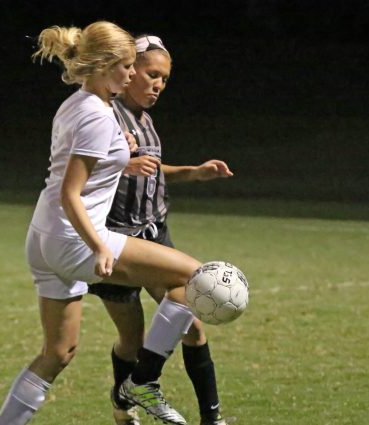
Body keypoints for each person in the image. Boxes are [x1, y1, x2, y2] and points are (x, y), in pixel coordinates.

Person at [0, 22, 215, 425]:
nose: (132, 74)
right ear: (105, 65)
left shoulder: (77, 104)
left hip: (42, 238)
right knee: (196, 280)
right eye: (127, 66)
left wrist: (119, 153)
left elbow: (83, 166)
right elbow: (71, 193)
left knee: (58, 353)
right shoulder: (98, 115)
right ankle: (142, 382)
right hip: (73, 238)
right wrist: (97, 245)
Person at [87, 35, 235, 425]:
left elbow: (152, 170)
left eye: (165, 79)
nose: (158, 85)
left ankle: (212, 417)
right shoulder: (105, 115)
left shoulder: (146, 122)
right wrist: (122, 165)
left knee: (193, 322)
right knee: (132, 339)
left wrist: (194, 172)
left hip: (154, 232)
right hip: (114, 238)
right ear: (129, 70)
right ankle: (125, 408)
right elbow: (85, 170)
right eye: (152, 74)